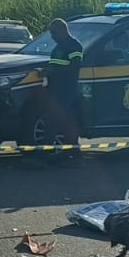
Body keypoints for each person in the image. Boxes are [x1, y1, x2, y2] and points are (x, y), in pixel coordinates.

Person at [42, 17, 85, 155]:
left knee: (52, 124)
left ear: (62, 30)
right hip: (55, 90)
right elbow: (55, 65)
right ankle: (74, 156)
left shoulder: (74, 46)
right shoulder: (58, 47)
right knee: (63, 125)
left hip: (67, 91)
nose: (52, 37)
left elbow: (74, 68)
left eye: (54, 33)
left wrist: (53, 71)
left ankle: (43, 156)